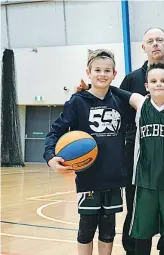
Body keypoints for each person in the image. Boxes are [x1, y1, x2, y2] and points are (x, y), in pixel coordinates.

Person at [44, 49, 131, 255]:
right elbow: (55, 131)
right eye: (98, 70)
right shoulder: (77, 102)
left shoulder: (121, 102)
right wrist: (50, 158)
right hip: (88, 177)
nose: (102, 74)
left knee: (108, 230)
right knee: (86, 229)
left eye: (107, 70)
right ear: (88, 72)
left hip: (114, 177)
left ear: (114, 74)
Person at [119, 27, 164, 255]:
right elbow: (116, 105)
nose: (155, 44)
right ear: (144, 47)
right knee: (137, 208)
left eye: (160, 40)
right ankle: (134, 250)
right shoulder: (131, 79)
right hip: (137, 151)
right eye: (150, 41)